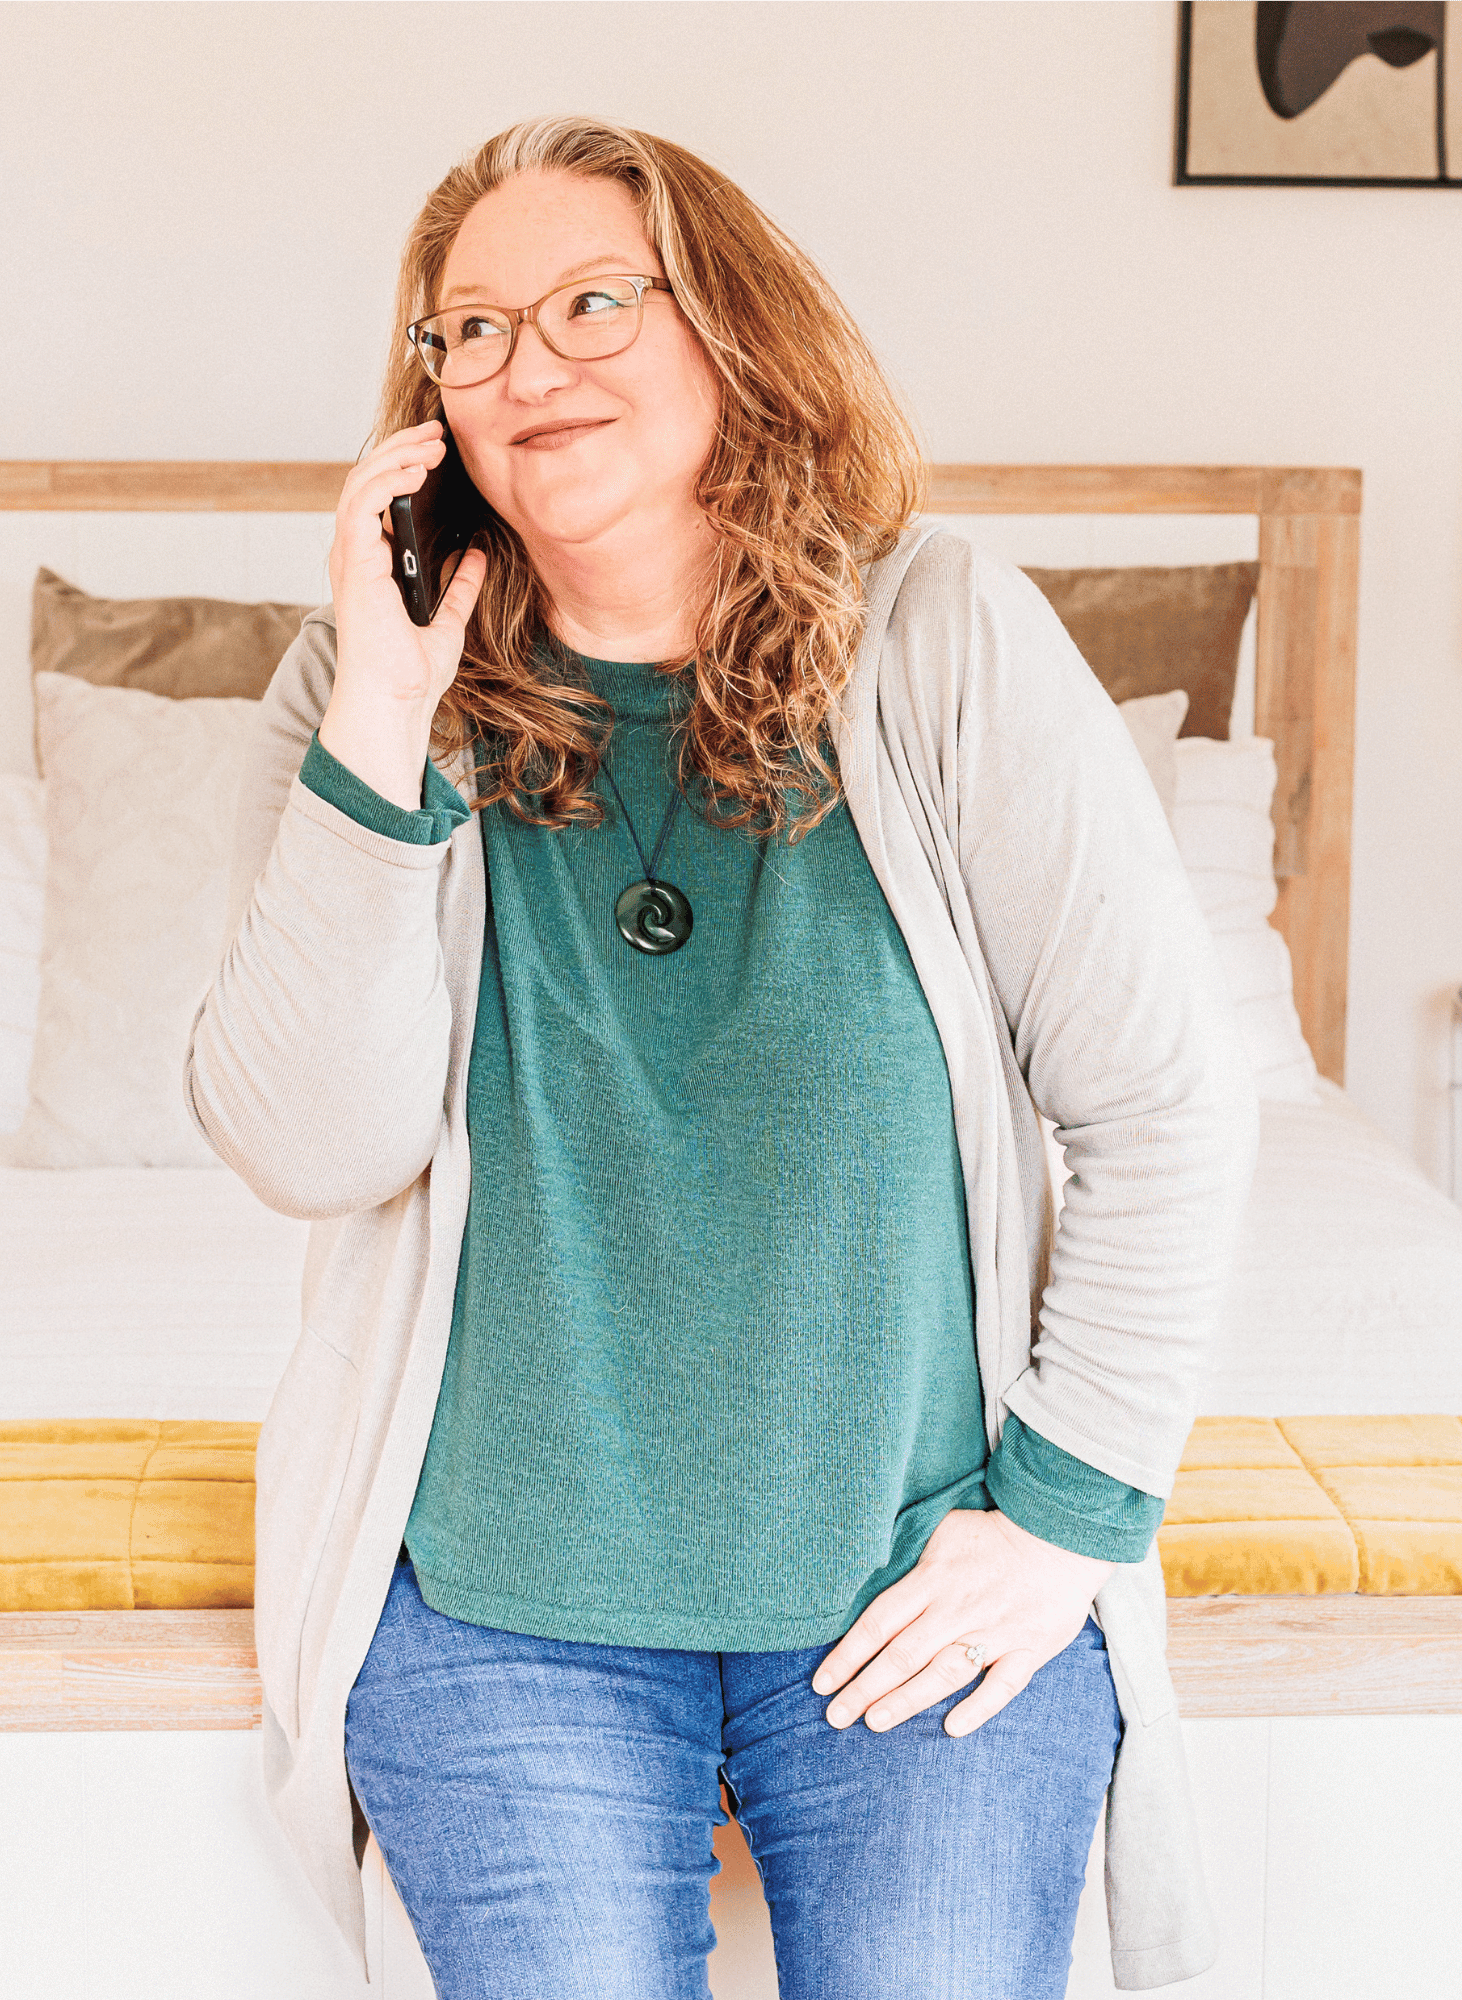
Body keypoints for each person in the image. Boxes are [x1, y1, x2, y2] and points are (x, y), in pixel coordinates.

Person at [186, 114, 1258, 2000]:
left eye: (594, 301)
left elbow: (1163, 1105)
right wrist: (381, 707)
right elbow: (308, 1145)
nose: (529, 363)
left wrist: (1063, 1518)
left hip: (908, 1568)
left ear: (732, 329)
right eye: (472, 329)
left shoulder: (940, 640)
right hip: (499, 1597)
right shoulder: (355, 693)